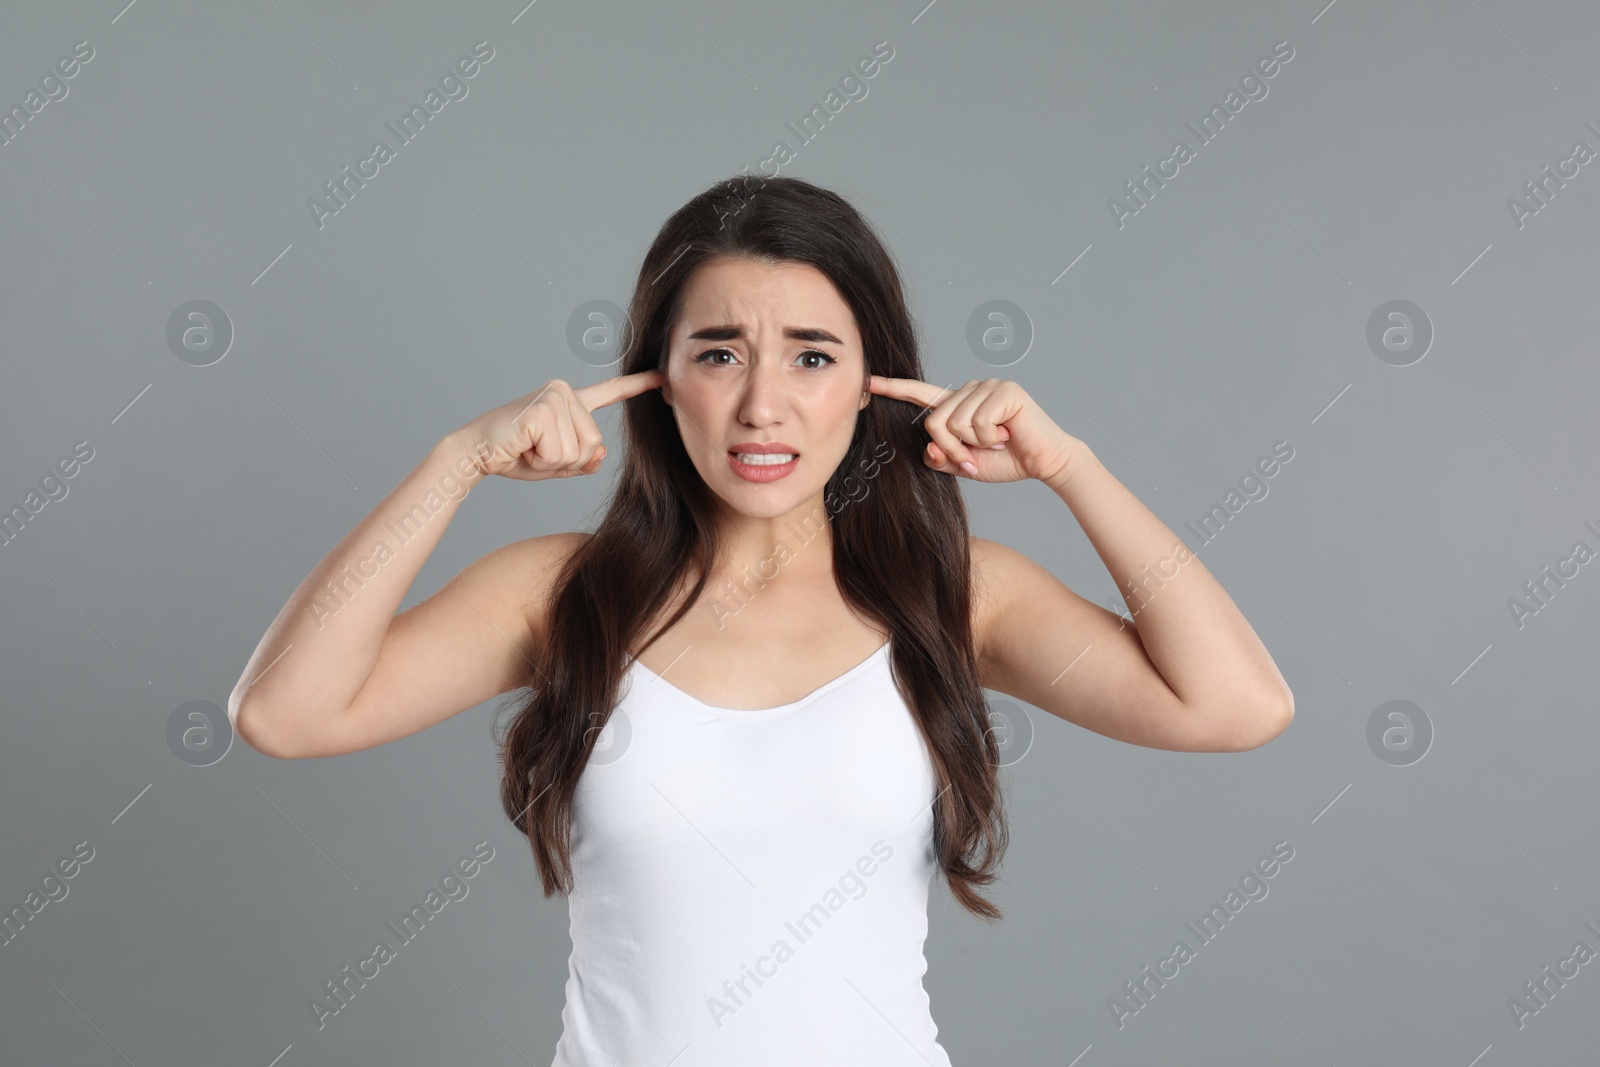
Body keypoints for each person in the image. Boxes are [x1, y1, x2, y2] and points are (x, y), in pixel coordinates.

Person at [228, 175, 1294, 1065]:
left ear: (872, 384)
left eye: (812, 356)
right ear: (656, 380)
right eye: (720, 352)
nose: (762, 405)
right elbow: (284, 711)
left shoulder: (954, 593)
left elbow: (1235, 704)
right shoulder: (561, 594)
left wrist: (1072, 466)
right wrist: (453, 462)